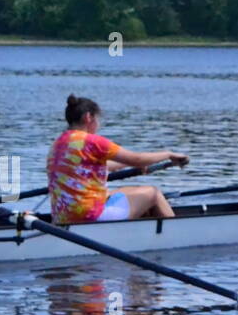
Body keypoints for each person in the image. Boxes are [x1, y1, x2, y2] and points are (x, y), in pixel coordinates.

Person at [48, 94, 189, 225]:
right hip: (90, 217)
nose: (98, 124)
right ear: (88, 117)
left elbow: (95, 166)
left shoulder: (59, 143)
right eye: (98, 119)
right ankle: (176, 232)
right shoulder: (92, 141)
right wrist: (168, 154)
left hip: (63, 217)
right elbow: (137, 159)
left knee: (121, 191)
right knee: (153, 193)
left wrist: (126, 165)